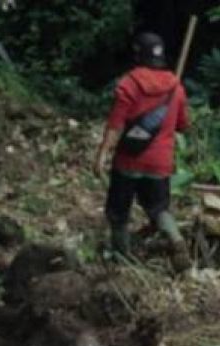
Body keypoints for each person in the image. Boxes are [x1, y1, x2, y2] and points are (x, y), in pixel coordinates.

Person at [93, 32, 190, 270]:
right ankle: (176, 239)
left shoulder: (129, 84)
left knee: (119, 212)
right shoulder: (176, 87)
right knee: (158, 208)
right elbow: (183, 125)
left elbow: (115, 126)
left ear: (138, 55)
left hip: (128, 161)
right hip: (160, 164)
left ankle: (122, 259)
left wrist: (101, 156)